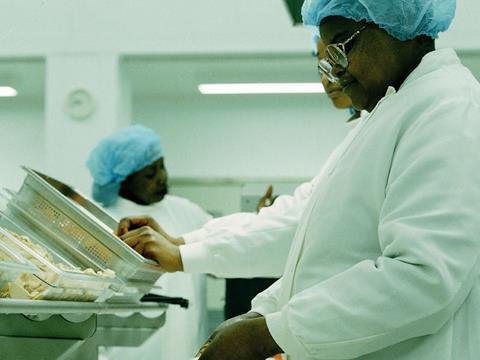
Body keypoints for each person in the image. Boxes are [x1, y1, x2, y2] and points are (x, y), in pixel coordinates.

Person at [119, 0, 480, 358]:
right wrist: (264, 310)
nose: (335, 71)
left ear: (397, 22)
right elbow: (310, 233)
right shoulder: (386, 112)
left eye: (342, 45)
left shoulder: (446, 108)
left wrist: (269, 333)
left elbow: (424, 278)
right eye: (326, 56)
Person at [86, 125, 212, 360]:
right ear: (123, 181)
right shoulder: (104, 223)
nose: (162, 178)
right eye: (150, 174)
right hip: (126, 352)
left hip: (188, 346)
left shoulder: (187, 211)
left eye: (162, 166)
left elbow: (224, 249)